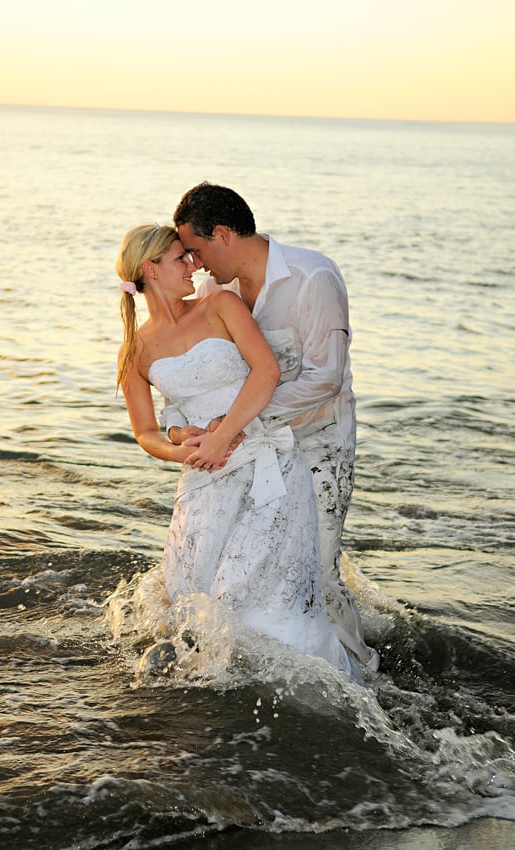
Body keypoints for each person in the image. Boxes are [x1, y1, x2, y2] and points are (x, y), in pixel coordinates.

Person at [115, 223, 354, 677]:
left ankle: (303, 690)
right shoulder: (136, 349)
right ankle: (221, 711)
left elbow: (265, 372)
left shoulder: (219, 304)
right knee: (198, 599)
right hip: (204, 479)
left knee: (255, 593)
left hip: (267, 463)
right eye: (180, 258)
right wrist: (182, 449)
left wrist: (223, 436)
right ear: (151, 268)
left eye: (191, 255)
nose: (194, 265)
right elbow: (146, 431)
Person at [166, 182, 379, 671]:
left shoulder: (313, 277)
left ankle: (357, 667)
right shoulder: (214, 292)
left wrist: (236, 421)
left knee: (316, 570)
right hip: (249, 450)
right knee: (249, 568)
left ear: (222, 234)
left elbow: (324, 379)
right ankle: (259, 666)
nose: (194, 264)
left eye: (195, 250)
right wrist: (186, 430)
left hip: (318, 445)